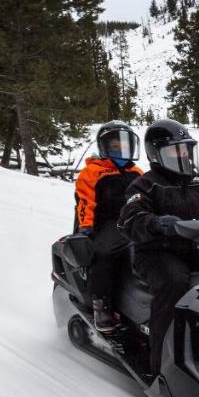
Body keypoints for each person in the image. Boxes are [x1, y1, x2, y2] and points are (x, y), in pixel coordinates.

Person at [119, 119, 199, 374]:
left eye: (185, 149)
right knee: (174, 283)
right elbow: (130, 218)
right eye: (174, 151)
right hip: (158, 251)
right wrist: (158, 223)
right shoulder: (146, 184)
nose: (182, 155)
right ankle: (163, 364)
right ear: (156, 155)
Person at [74, 121, 144, 330]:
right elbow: (85, 202)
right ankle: (101, 304)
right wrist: (86, 227)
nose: (120, 149)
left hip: (137, 219)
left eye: (124, 145)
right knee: (104, 253)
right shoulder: (93, 172)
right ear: (104, 147)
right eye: (115, 146)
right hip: (108, 222)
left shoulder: (137, 172)